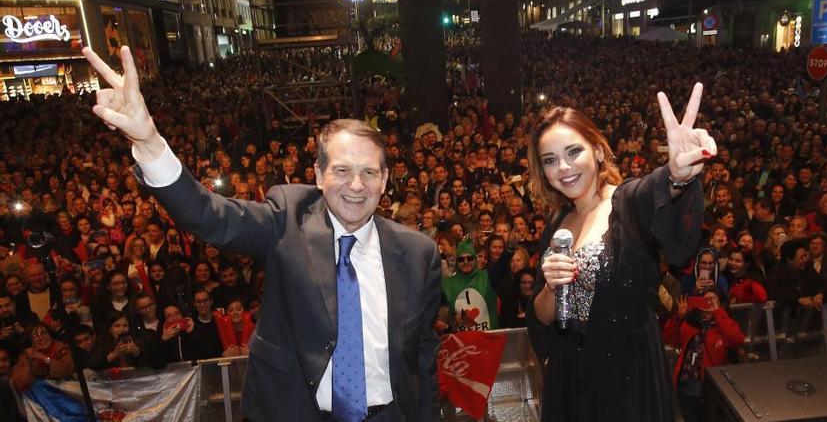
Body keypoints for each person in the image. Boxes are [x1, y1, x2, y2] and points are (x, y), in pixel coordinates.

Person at [84, 46, 441, 421]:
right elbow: (210, 216)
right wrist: (148, 139)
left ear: (384, 180)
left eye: (369, 172)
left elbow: (423, 359)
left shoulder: (418, 254)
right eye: (341, 171)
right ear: (318, 175)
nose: (356, 185)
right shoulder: (288, 218)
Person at [526, 84, 714, 421]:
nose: (564, 167)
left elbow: (655, 191)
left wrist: (678, 176)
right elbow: (542, 317)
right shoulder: (557, 224)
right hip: (571, 379)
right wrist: (552, 287)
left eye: (573, 152)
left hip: (627, 379)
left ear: (597, 150)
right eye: (551, 160)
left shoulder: (627, 202)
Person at [663, 288, 744, 422]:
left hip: (712, 387)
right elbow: (669, 338)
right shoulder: (689, 324)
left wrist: (717, 312)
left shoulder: (725, 324)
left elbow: (736, 339)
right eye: (705, 300)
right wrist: (678, 317)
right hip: (688, 382)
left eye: (714, 300)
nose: (709, 303)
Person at [10, 322, 74, 391]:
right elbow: (20, 384)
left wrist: (43, 358)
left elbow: (66, 371)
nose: (40, 338)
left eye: (44, 333)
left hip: (66, 389)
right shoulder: (26, 355)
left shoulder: (61, 348)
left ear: (51, 335)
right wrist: (27, 361)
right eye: (35, 336)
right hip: (40, 394)